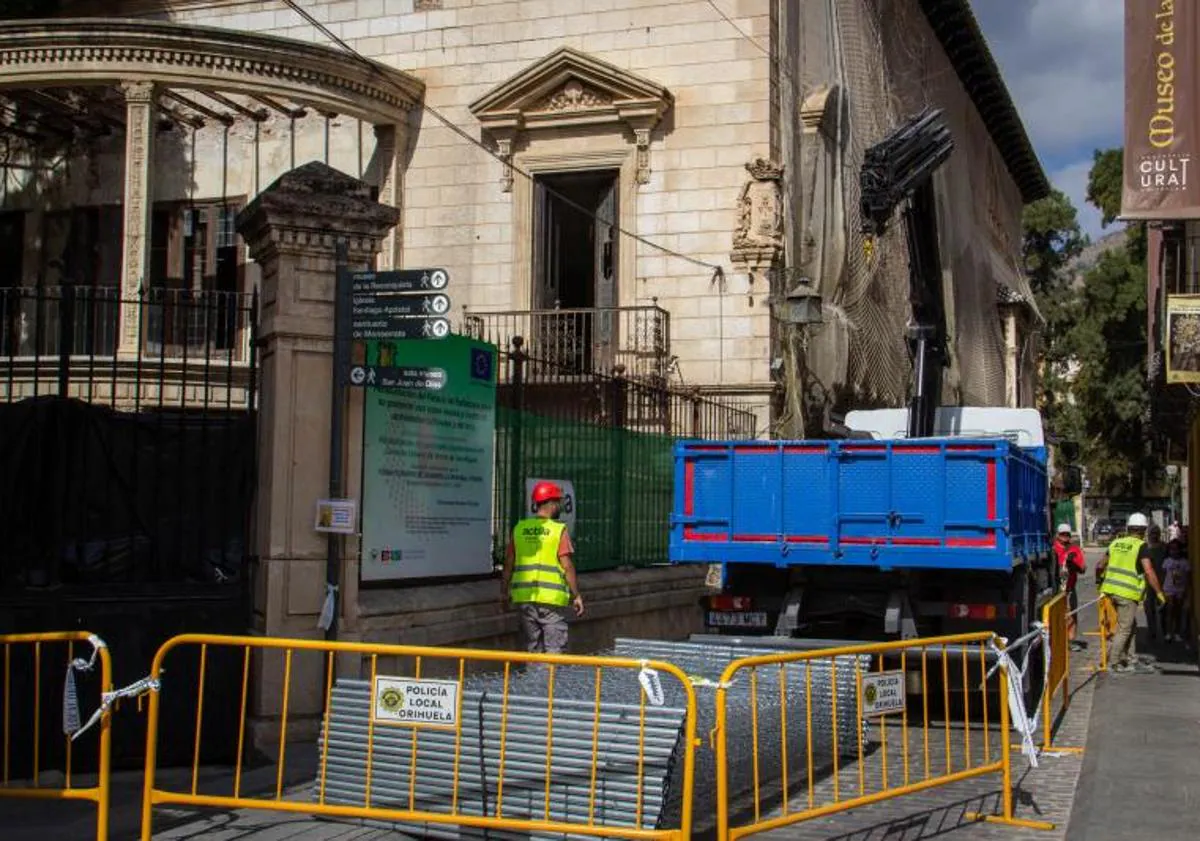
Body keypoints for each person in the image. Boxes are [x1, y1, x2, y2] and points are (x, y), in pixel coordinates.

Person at [501, 481, 585, 654]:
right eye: (558, 503)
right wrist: (576, 595)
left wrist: (504, 591)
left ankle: (534, 681)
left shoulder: (520, 528)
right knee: (554, 654)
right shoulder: (557, 530)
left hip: (525, 601)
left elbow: (509, 563)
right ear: (552, 504)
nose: (559, 506)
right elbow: (567, 566)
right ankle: (548, 682)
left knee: (533, 650)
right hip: (551, 602)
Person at [1096, 512, 1167, 674]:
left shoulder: (1115, 543)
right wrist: (1159, 593)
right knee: (1125, 628)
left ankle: (1128, 658)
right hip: (1127, 593)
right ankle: (1114, 663)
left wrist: (1099, 582)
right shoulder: (1140, 547)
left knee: (1130, 625)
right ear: (1143, 530)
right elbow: (1149, 571)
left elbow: (1100, 565)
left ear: (1129, 528)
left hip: (1111, 591)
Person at [1052, 523, 1087, 650]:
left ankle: (1070, 641)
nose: (1065, 536)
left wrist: (1073, 563)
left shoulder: (1074, 549)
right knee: (1057, 615)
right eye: (1062, 534)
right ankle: (1057, 641)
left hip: (1070, 588)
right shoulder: (1053, 549)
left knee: (1071, 614)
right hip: (1056, 589)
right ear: (1057, 535)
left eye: (1067, 534)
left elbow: (1083, 569)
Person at [1162, 539, 1191, 644]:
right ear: (1169, 550)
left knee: (1178, 611)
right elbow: (1164, 575)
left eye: (1176, 549)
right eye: (1172, 549)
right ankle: (1169, 633)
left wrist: (1187, 591)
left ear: (1180, 550)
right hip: (1169, 588)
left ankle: (1177, 632)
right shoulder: (1167, 561)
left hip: (1180, 589)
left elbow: (1188, 577)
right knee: (1170, 610)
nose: (1174, 551)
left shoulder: (1185, 562)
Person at [1144, 525, 1166, 641]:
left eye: (1156, 533)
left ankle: (1164, 629)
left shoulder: (1164, 547)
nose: (1154, 535)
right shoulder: (1145, 548)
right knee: (1149, 607)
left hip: (1163, 580)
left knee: (1163, 606)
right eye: (1152, 533)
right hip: (1149, 581)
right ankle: (1152, 630)